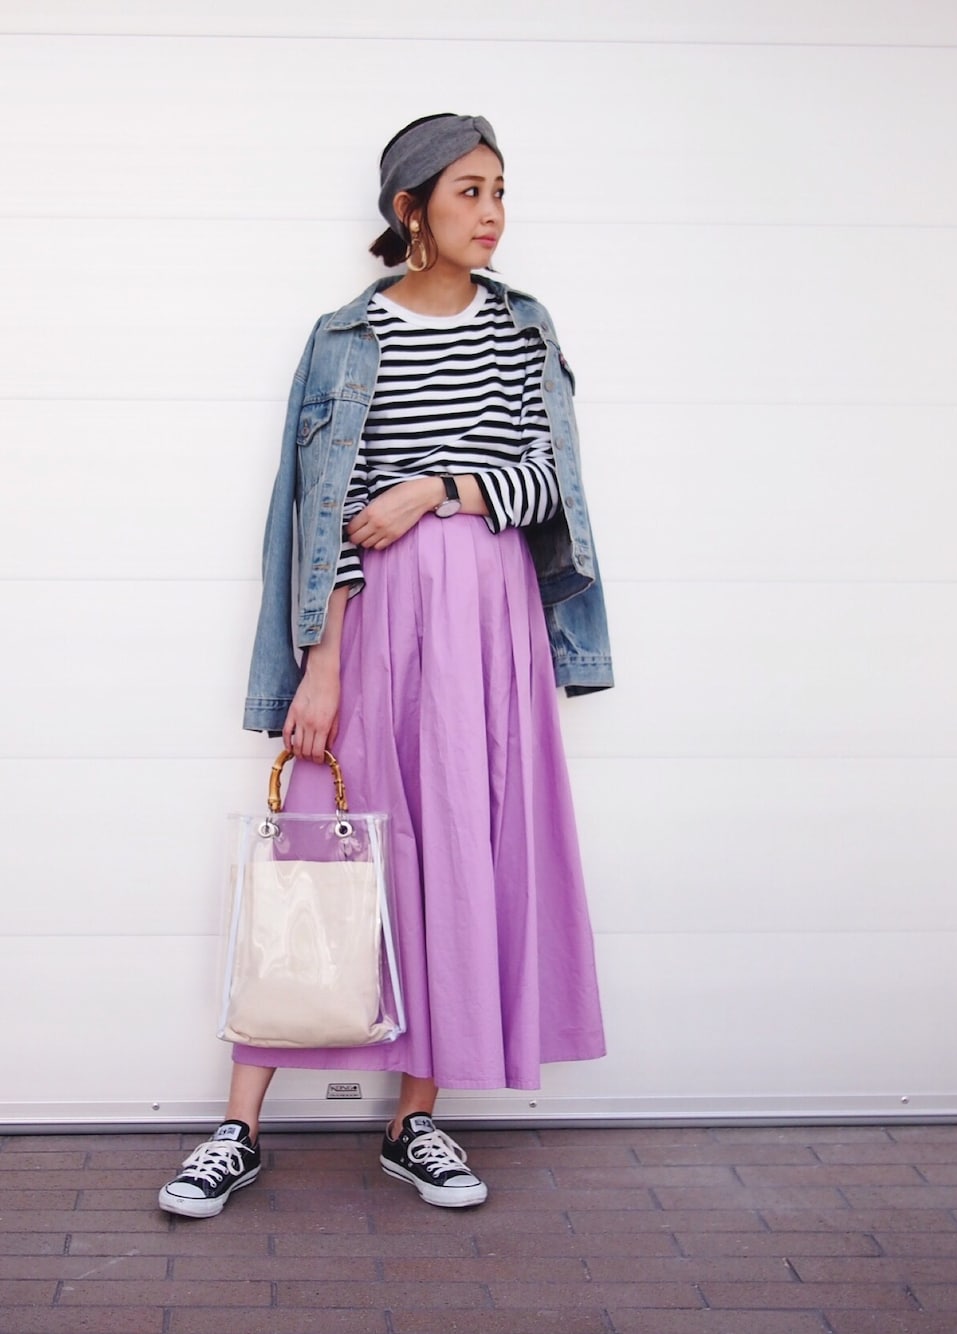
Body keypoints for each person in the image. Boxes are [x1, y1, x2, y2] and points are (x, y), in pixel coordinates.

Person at [158, 113, 613, 1219]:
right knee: (324, 844)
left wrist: (437, 491)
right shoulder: (345, 337)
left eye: (500, 190)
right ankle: (238, 1128)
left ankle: (415, 1121)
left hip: (490, 621)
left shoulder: (521, 328)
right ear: (411, 208)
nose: (492, 213)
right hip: (371, 616)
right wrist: (318, 668)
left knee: (461, 843)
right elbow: (322, 517)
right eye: (469, 191)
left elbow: (550, 484)